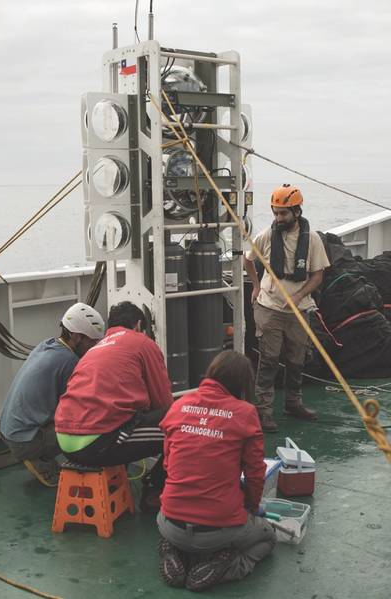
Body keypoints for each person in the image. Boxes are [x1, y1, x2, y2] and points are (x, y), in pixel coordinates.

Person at [157, 350, 276, 592]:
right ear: (243, 383)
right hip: (218, 531)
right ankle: (230, 565)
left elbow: (168, 465)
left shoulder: (179, 406)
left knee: (177, 528)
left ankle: (174, 550)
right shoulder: (245, 413)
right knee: (268, 537)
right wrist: (252, 507)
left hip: (169, 522)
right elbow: (254, 474)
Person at [54, 301, 173, 503]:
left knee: (122, 419)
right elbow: (163, 402)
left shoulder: (94, 349)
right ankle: (154, 487)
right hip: (94, 444)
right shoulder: (142, 343)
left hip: (64, 442)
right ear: (138, 326)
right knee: (181, 427)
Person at [244, 184, 330, 432]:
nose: (278, 218)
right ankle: (264, 411)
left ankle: (293, 403)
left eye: (283, 213)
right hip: (269, 308)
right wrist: (256, 287)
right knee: (269, 360)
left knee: (296, 361)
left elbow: (317, 275)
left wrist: (300, 295)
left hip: (299, 310)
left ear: (296, 211)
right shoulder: (266, 236)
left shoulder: (312, 239)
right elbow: (248, 260)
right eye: (275, 213)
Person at [0, 302, 105, 486]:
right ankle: (38, 457)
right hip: (24, 440)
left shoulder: (46, 344)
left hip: (9, 430)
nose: (95, 346)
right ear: (76, 336)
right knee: (93, 427)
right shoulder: (69, 361)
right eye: (92, 341)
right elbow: (80, 407)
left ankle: (39, 455)